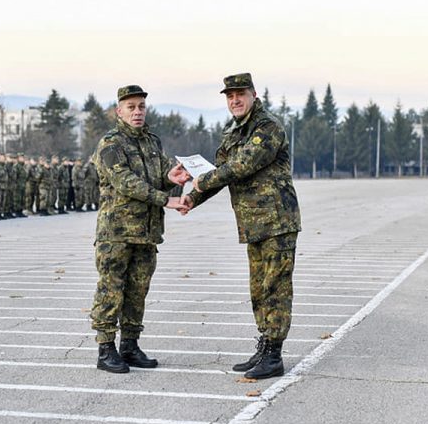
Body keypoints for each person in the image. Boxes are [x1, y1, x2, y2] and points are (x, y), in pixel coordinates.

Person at [182, 73, 302, 380]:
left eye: (240, 94)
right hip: (253, 224)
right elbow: (220, 170)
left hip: (276, 221)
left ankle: (274, 355)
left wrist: (203, 180)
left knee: (275, 288)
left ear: (253, 95)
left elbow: (242, 165)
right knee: (259, 290)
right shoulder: (233, 131)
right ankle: (264, 346)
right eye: (229, 96)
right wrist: (193, 198)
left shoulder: (267, 127)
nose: (234, 100)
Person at [90, 84, 189, 373]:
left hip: (146, 232)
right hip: (116, 233)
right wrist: (166, 199)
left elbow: (156, 178)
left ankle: (130, 346)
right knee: (111, 289)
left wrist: (171, 177)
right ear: (118, 111)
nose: (137, 112)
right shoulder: (110, 144)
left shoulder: (151, 142)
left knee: (137, 291)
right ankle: (106, 348)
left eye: (141, 107)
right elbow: (126, 183)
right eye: (131, 107)